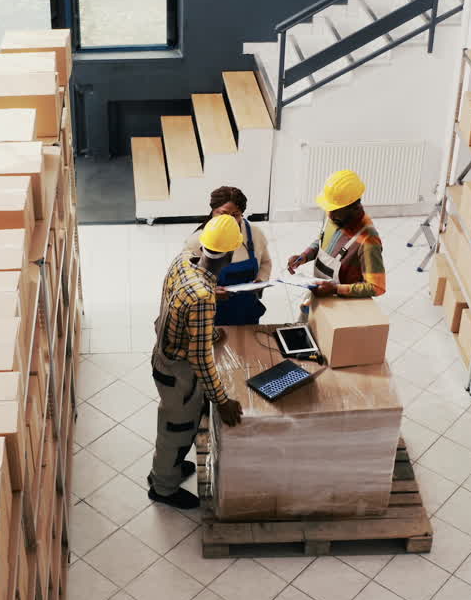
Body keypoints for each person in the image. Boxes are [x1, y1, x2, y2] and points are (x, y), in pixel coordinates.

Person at [148, 215, 245, 510]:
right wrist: (223, 400)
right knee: (176, 429)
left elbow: (178, 302)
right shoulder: (203, 297)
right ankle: (162, 486)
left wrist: (208, 326)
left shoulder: (184, 260)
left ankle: (172, 470)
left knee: (179, 425)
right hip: (179, 372)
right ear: (229, 255)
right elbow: (201, 359)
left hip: (164, 356)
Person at [287, 169, 387, 299]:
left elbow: (377, 287)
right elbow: (322, 241)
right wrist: (304, 256)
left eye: (336, 210)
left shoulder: (368, 240)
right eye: (329, 208)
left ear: (354, 207)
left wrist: (336, 289)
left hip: (343, 303)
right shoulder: (334, 216)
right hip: (319, 293)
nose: (330, 214)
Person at [182, 186, 272, 326]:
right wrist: (211, 292)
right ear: (213, 211)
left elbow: (265, 262)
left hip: (246, 311)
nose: (228, 221)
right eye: (223, 214)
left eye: (235, 215)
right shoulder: (197, 241)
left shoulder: (254, 234)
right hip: (211, 313)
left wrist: (261, 280)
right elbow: (187, 281)